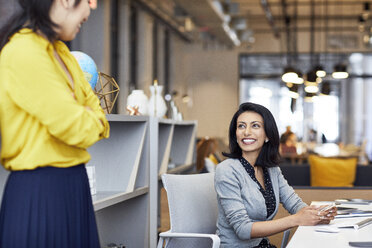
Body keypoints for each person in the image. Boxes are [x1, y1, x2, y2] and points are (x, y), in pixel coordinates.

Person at [0, 0, 109, 247]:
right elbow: (77, 128)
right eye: (89, 0)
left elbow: (98, 117)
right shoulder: (23, 51)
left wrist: (83, 113)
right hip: (40, 192)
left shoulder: (62, 54)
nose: (92, 8)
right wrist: (84, 114)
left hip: (74, 186)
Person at [214, 102, 336, 247]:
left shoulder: (271, 169)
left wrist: (318, 214)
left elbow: (295, 204)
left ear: (267, 135)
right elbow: (243, 229)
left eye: (255, 125)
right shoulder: (227, 170)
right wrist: (296, 219)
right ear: (235, 133)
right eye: (241, 126)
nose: (246, 132)